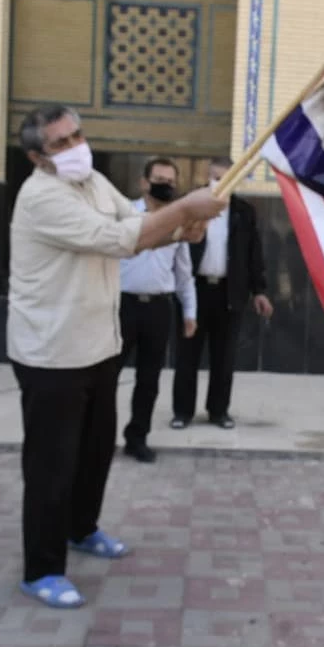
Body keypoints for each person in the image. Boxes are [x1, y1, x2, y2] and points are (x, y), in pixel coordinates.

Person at [7, 104, 225, 608]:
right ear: (39, 157)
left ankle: (81, 528)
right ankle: (41, 569)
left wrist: (180, 230)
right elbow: (121, 240)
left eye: (77, 134)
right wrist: (187, 209)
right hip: (52, 352)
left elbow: (137, 221)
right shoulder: (42, 198)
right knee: (51, 464)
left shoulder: (94, 183)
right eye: (62, 142)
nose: (76, 145)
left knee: (95, 448)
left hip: (98, 345)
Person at [170, 158, 274, 429]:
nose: (220, 184)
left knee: (224, 357)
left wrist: (259, 290)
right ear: (208, 177)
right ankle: (182, 412)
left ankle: (218, 411)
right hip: (194, 290)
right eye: (216, 178)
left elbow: (254, 254)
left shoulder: (243, 212)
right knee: (187, 355)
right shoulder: (192, 206)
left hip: (229, 293)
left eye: (226, 178)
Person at [119, 158, 197, 463]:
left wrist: (190, 311)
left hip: (159, 310)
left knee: (149, 380)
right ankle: (94, 436)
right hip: (121, 306)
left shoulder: (178, 223)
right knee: (104, 377)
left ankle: (137, 437)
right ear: (144, 182)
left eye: (170, 181)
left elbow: (183, 273)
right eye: (158, 179)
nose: (164, 185)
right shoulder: (123, 214)